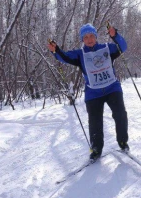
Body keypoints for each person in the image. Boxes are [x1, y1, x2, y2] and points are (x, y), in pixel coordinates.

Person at [47, 23, 129, 160]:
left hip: (112, 88)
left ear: (96, 37)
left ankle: (122, 141)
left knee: (120, 114)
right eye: (86, 37)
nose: (89, 39)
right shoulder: (80, 54)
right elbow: (65, 57)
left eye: (91, 36)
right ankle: (96, 148)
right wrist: (56, 50)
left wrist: (115, 36)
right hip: (93, 93)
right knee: (95, 121)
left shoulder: (107, 49)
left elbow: (123, 47)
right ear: (82, 40)